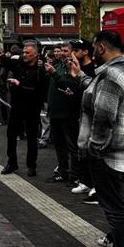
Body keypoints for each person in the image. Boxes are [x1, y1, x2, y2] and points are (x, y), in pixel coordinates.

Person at [75, 30, 124, 247]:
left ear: (102, 47)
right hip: (119, 148)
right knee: (117, 205)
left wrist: (95, 146)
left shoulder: (112, 75)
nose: (92, 51)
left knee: (115, 207)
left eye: (94, 47)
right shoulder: (122, 70)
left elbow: (104, 116)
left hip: (110, 151)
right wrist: (80, 77)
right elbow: (96, 95)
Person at [3, 42, 48, 177]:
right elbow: (3, 61)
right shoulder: (19, 64)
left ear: (36, 54)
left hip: (32, 107)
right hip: (16, 105)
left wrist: (19, 84)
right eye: (23, 52)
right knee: (11, 134)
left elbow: (38, 90)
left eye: (27, 53)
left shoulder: (40, 70)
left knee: (32, 137)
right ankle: (12, 163)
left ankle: (32, 165)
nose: (24, 55)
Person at [46, 42, 81, 184]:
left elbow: (68, 86)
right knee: (59, 145)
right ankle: (62, 171)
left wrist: (54, 74)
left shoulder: (73, 68)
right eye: (61, 51)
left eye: (66, 51)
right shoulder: (59, 65)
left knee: (71, 145)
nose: (62, 53)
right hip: (55, 111)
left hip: (67, 112)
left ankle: (75, 174)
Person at [68, 40, 98, 204]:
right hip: (78, 111)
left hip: (90, 114)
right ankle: (85, 180)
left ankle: (94, 184)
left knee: (90, 148)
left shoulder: (92, 69)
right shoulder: (75, 67)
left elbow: (91, 89)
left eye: (77, 50)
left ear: (86, 52)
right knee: (81, 148)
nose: (74, 52)